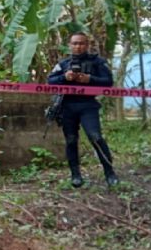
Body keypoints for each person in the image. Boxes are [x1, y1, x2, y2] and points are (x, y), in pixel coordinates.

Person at [47, 32, 119, 188]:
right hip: (67, 106)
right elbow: (50, 81)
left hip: (88, 106)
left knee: (96, 137)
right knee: (71, 140)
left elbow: (108, 82)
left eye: (81, 43)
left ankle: (110, 173)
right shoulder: (63, 64)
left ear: (87, 45)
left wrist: (90, 79)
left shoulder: (97, 62)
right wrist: (64, 78)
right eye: (74, 43)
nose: (78, 46)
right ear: (70, 45)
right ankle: (75, 175)